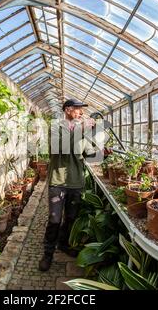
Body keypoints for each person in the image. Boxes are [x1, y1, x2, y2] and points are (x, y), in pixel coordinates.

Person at [38, 99, 110, 271]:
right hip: (58, 181)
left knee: (71, 218)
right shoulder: (56, 128)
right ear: (68, 110)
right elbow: (62, 149)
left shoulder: (82, 133)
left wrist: (103, 154)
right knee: (54, 219)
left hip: (76, 182)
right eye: (78, 109)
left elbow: (88, 155)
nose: (81, 113)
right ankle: (47, 254)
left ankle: (63, 244)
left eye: (82, 110)